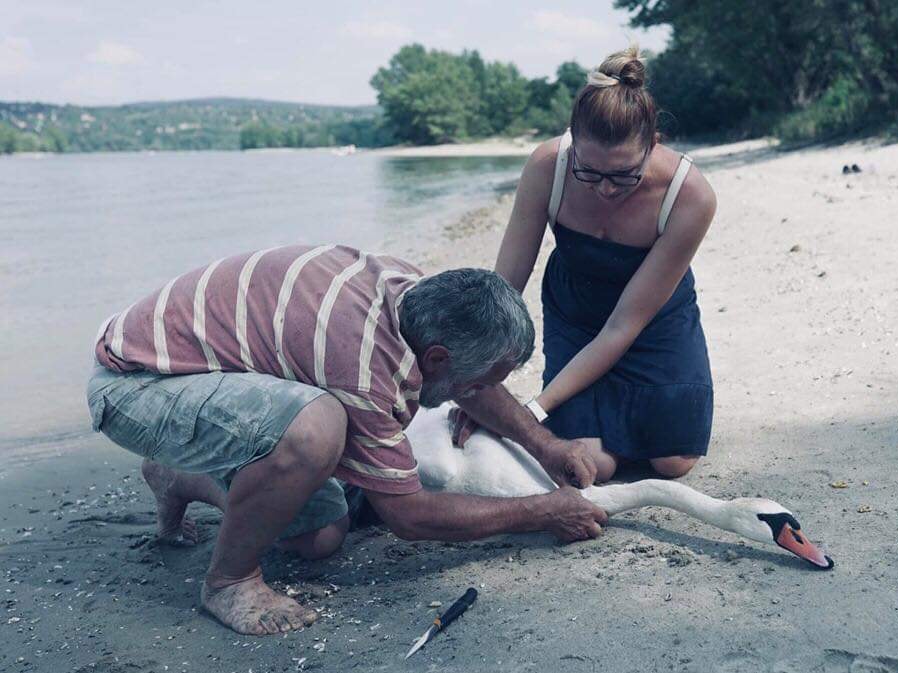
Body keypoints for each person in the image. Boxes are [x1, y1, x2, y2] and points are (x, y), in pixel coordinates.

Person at [86, 244, 607, 636]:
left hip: (194, 371)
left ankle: (179, 476)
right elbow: (408, 516)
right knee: (316, 429)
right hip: (137, 384)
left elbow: (469, 385)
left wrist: (547, 447)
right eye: (476, 381)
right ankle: (228, 581)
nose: (477, 394)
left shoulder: (418, 297)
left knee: (322, 537)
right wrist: (544, 511)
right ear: (437, 359)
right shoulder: (362, 364)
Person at [456, 45, 717, 482]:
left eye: (623, 175)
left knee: (672, 462)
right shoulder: (547, 166)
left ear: (653, 145)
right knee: (593, 464)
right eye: (589, 172)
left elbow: (622, 327)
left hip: (652, 319)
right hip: (575, 310)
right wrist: (474, 386)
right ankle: (604, 422)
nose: (605, 190)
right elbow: (503, 291)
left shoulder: (691, 196)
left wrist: (534, 409)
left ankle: (630, 417)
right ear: (572, 143)